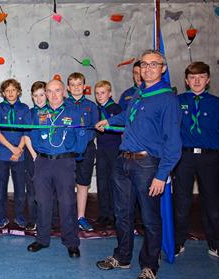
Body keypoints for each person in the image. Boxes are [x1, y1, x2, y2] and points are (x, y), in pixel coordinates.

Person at [95, 50, 182, 279]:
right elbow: (128, 116)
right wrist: (110, 120)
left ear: (163, 68)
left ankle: (149, 266)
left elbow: (173, 143)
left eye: (154, 64)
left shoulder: (168, 99)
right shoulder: (138, 94)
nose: (148, 68)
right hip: (123, 161)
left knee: (150, 218)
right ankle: (123, 257)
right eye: (144, 64)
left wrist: (162, 175)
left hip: (147, 165)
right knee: (122, 214)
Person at [26, 79, 90, 258]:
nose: (53, 95)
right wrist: (42, 152)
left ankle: (71, 242)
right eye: (49, 91)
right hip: (43, 162)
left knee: (67, 202)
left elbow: (82, 138)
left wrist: (70, 154)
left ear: (64, 92)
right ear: (45, 93)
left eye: (57, 91)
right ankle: (42, 239)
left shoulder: (74, 113)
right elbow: (34, 136)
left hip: (64, 162)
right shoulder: (39, 115)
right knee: (43, 201)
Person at [173, 61, 219, 258]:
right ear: (186, 80)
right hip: (184, 157)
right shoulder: (177, 101)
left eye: (201, 77)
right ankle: (178, 242)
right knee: (181, 202)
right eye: (192, 77)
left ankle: (214, 243)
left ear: (208, 80)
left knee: (212, 203)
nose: (197, 81)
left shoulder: (216, 103)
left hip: (210, 158)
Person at [0, 79, 29, 229]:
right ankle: (1, 217)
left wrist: (19, 149)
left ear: (18, 91)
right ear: (3, 93)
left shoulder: (25, 108)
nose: (10, 93)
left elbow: (26, 131)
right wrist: (11, 148)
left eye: (13, 90)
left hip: (20, 155)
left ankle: (19, 216)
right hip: (2, 155)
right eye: (7, 90)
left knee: (20, 188)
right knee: (1, 189)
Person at [65, 72, 98, 232]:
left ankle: (81, 217)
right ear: (68, 88)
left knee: (83, 183)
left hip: (87, 148)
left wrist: (82, 141)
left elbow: (94, 128)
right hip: (67, 149)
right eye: (73, 85)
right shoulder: (63, 105)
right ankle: (68, 216)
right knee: (66, 183)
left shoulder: (91, 106)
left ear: (85, 87)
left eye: (79, 84)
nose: (76, 88)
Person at [94, 80, 122, 228]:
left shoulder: (116, 109)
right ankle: (104, 214)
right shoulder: (96, 110)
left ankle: (115, 215)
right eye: (97, 93)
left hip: (114, 149)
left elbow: (122, 126)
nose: (99, 96)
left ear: (110, 93)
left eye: (103, 93)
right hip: (101, 150)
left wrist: (109, 126)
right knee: (102, 182)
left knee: (114, 182)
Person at [24, 81, 46, 231]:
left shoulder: (54, 112)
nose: (39, 99)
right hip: (32, 156)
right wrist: (34, 156)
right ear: (32, 97)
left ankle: (47, 220)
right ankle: (33, 220)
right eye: (36, 96)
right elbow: (26, 136)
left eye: (42, 95)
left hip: (49, 157)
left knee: (48, 191)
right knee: (32, 190)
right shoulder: (29, 113)